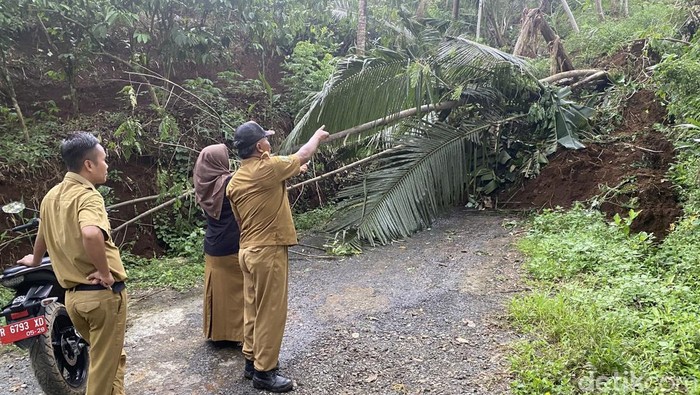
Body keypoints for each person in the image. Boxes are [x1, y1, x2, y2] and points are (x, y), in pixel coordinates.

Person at [17, 132, 128, 395]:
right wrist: (105, 272)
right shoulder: (88, 196)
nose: (107, 165)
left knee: (111, 360)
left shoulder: (51, 196)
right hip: (101, 296)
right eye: (104, 159)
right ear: (88, 165)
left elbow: (43, 231)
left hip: (74, 300)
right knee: (103, 371)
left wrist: (35, 259)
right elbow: (90, 233)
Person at [226, 121, 329, 393]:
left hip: (247, 251)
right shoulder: (268, 168)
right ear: (260, 146)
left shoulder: (236, 180)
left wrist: (294, 169)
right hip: (267, 251)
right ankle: (265, 372)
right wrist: (317, 137)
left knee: (252, 308)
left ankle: (251, 361)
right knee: (271, 311)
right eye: (267, 140)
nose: (270, 143)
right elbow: (303, 154)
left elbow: (246, 211)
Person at [193, 144, 243, 344]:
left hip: (213, 246)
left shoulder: (203, 183)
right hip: (232, 244)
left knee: (219, 292)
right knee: (240, 291)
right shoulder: (230, 182)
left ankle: (219, 335)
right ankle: (239, 334)